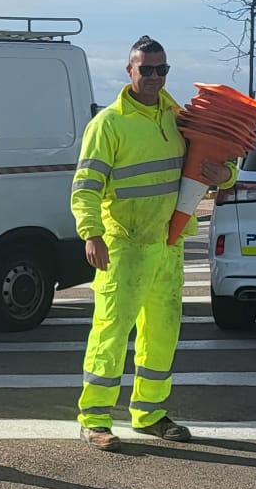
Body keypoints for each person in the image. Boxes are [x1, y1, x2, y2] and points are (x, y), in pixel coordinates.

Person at [70, 37, 235, 450]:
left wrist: (224, 176)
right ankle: (94, 418)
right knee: (110, 333)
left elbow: (218, 165)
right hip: (123, 246)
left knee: (161, 334)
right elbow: (86, 186)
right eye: (146, 69)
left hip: (167, 244)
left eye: (162, 69)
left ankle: (150, 413)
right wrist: (91, 233)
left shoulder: (179, 117)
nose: (154, 77)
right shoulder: (108, 124)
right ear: (129, 71)